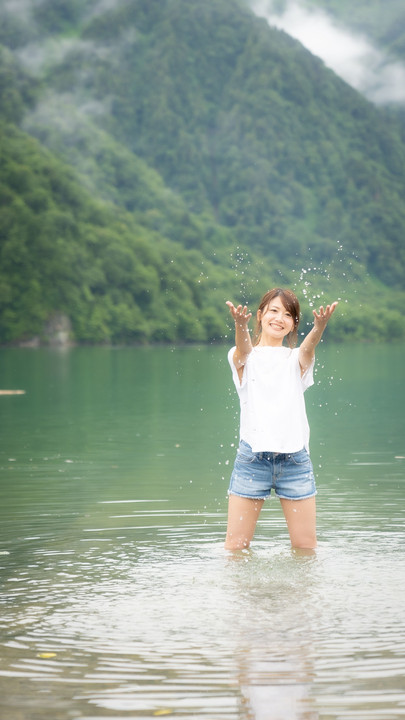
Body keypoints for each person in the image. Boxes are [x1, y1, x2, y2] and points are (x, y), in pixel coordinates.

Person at [225, 287, 338, 551]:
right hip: (252, 460)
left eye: (288, 314)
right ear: (260, 315)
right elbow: (244, 349)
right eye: (274, 311)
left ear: (293, 325)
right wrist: (239, 325)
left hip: (295, 461)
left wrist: (319, 327)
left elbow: (308, 350)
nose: (279, 318)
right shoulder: (242, 356)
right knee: (235, 547)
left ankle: (301, 593)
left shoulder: (295, 359)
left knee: (306, 548)